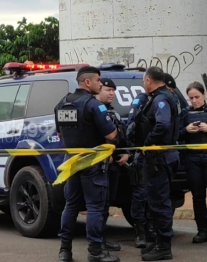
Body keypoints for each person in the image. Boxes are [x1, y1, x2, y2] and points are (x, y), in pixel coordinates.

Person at [55, 66, 120, 262]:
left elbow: (59, 134)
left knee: (71, 206)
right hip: (92, 163)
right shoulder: (94, 105)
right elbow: (111, 134)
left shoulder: (62, 103)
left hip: (72, 162)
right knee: (95, 207)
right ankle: (95, 251)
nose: (101, 84)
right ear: (88, 82)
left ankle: (64, 251)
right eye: (99, 80)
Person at [134, 66, 180, 261]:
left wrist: (148, 142)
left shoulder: (160, 99)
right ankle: (160, 241)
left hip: (159, 158)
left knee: (159, 202)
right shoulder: (168, 96)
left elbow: (163, 124)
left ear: (149, 81)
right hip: (164, 157)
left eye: (144, 80)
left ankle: (164, 246)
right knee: (157, 201)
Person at [95, 78, 130, 252]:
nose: (111, 93)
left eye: (113, 91)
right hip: (99, 165)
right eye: (108, 90)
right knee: (99, 205)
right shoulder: (93, 111)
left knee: (106, 204)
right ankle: (97, 242)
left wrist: (126, 153)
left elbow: (121, 137)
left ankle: (102, 238)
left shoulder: (113, 113)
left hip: (114, 166)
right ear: (98, 89)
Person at [126, 91, 156, 248]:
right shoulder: (141, 99)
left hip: (157, 156)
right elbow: (130, 127)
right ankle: (140, 232)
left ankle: (151, 229)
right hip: (141, 154)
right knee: (140, 194)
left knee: (153, 194)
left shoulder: (159, 99)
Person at [178, 81, 207, 243]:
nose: (194, 101)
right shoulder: (185, 113)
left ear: (204, 95)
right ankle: (202, 230)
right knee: (198, 196)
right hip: (193, 159)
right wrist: (186, 130)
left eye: (197, 97)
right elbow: (175, 135)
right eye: (191, 98)